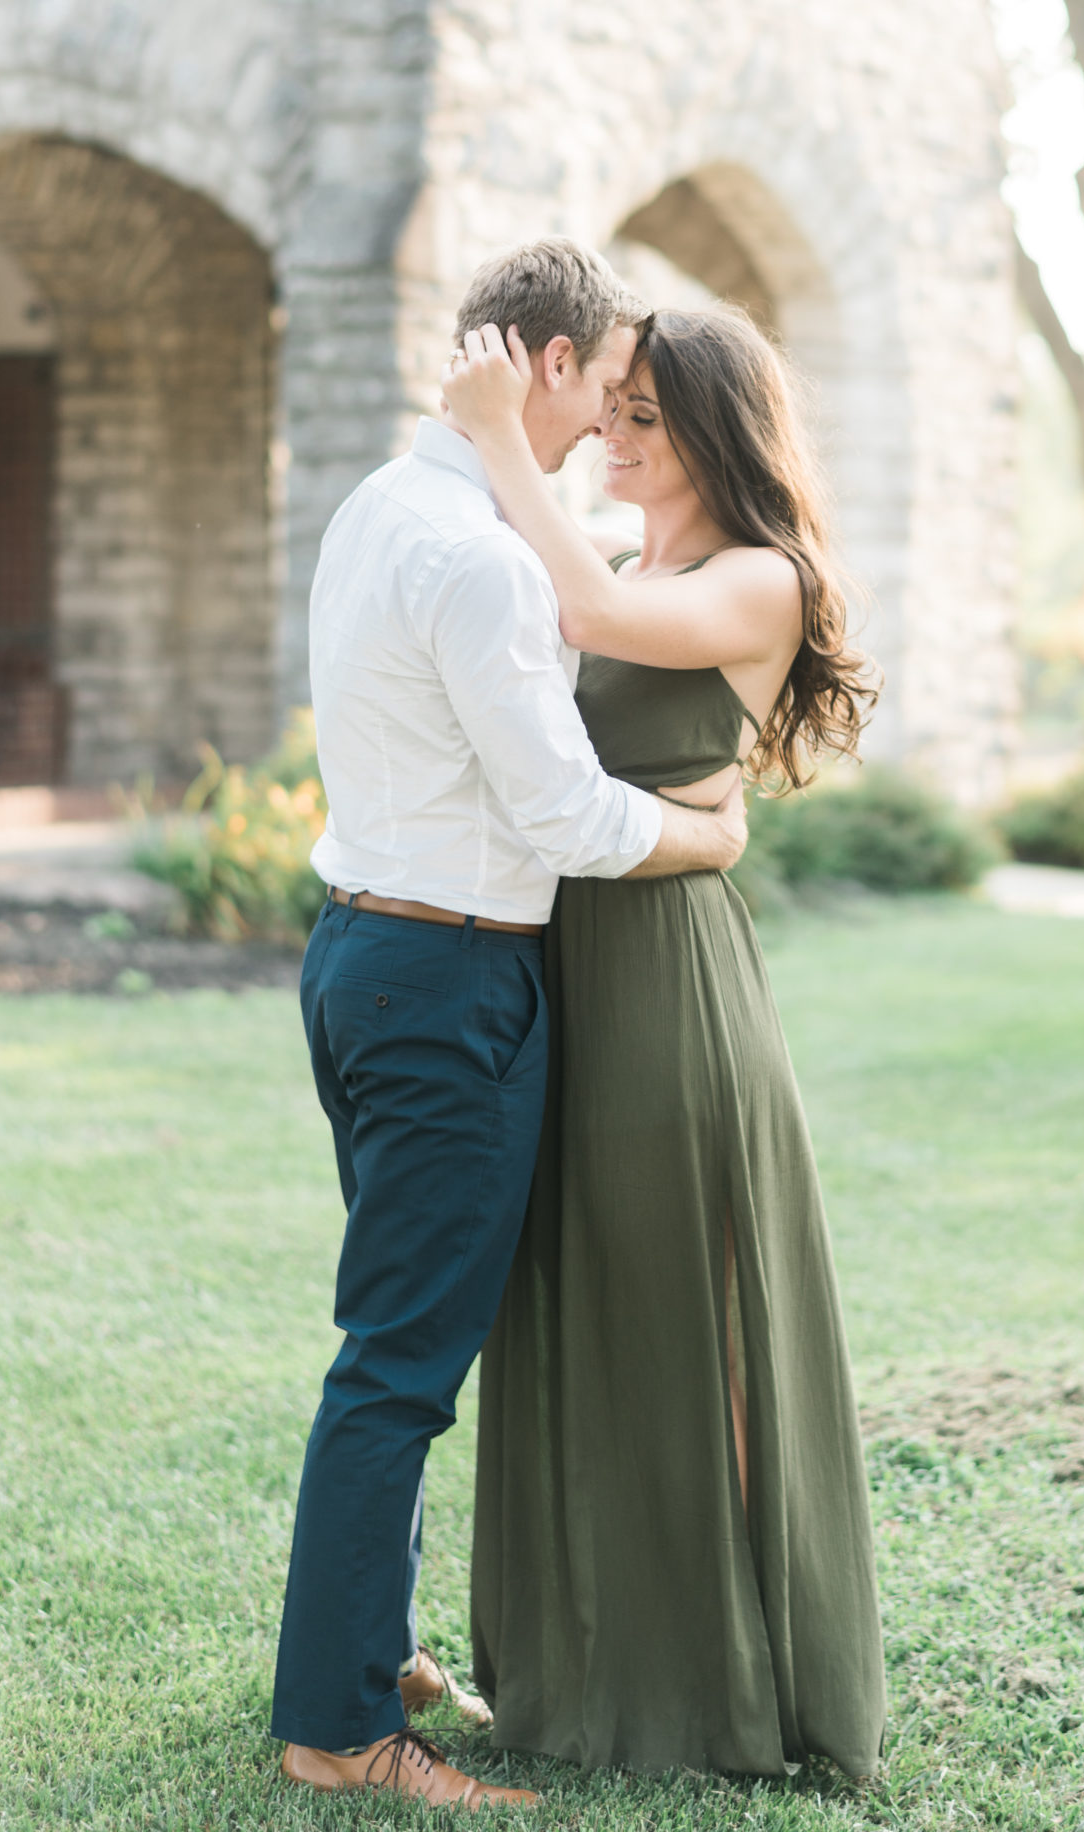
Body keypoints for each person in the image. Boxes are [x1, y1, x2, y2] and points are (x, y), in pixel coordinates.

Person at [273, 241, 749, 1814]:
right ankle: (341, 1732)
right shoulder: (475, 557)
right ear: (548, 365)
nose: (613, 424)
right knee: (400, 1363)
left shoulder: (380, 508)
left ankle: (376, 1650)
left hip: (355, 957)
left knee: (395, 1337)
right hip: (447, 983)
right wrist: (705, 835)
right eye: (608, 390)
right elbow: (560, 814)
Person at [441, 301, 888, 1783]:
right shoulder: (634, 557)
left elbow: (592, 629)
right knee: (577, 1305)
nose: (615, 436)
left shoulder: (758, 580)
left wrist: (504, 436)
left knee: (690, 1317)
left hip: (668, 989)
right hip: (558, 966)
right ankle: (580, 1661)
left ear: (713, 428)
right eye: (612, 411)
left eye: (641, 413)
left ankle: (734, 1685)